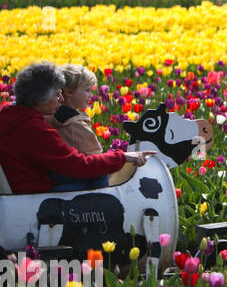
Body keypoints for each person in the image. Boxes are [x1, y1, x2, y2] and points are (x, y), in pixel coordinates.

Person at [0, 61, 148, 194]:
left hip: (22, 182)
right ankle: (102, 218)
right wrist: (122, 156)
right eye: (57, 95)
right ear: (40, 98)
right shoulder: (34, 129)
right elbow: (78, 165)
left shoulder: (8, 112)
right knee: (98, 174)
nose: (62, 99)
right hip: (36, 192)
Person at [47, 65, 102, 157]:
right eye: (87, 90)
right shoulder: (74, 123)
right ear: (69, 91)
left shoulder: (49, 115)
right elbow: (95, 155)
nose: (90, 95)